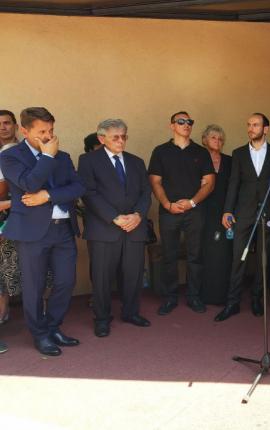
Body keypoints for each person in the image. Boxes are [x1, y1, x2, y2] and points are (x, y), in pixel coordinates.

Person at [0, 107, 85, 356]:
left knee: (66, 282)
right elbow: (29, 183)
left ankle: (53, 327)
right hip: (31, 232)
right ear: (24, 131)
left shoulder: (63, 156)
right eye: (42, 132)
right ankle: (39, 334)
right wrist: (47, 157)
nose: (48, 136)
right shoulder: (10, 156)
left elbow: (78, 187)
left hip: (63, 229)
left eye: (51, 130)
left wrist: (48, 195)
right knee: (34, 287)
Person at [78, 119, 152, 337]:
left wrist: (138, 215)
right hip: (104, 228)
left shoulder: (136, 161)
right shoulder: (88, 160)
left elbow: (146, 193)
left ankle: (131, 312)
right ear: (102, 138)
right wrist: (114, 218)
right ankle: (102, 318)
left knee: (133, 274)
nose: (121, 141)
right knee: (101, 277)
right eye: (115, 137)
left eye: (124, 136)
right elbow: (88, 193)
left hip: (134, 227)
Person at [215, 113, 270, 321]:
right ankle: (232, 302)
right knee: (238, 258)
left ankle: (256, 299)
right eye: (249, 125)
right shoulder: (239, 153)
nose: (251, 128)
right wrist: (227, 210)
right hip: (243, 212)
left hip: (268, 211)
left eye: (255, 125)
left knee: (263, 259)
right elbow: (233, 183)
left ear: (266, 129)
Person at [148, 111, 215, 316]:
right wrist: (167, 205)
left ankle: (194, 296)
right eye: (181, 121)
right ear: (172, 126)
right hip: (169, 211)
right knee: (169, 255)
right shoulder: (160, 151)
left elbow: (210, 183)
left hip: (194, 211)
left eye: (189, 122)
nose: (186, 124)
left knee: (196, 255)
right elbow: (155, 182)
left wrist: (192, 202)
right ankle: (170, 297)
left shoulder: (201, 152)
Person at [199, 124, 233, 305]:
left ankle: (222, 294)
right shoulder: (197, 160)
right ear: (204, 140)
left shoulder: (230, 161)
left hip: (225, 213)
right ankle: (204, 295)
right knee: (205, 253)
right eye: (213, 137)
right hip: (203, 212)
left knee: (224, 253)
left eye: (220, 139)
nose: (217, 141)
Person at [0, 109, 20, 324]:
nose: (2, 127)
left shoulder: (25, 151)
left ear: (15, 126)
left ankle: (40, 314)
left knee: (36, 269)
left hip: (24, 217)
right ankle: (2, 313)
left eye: (6, 122)